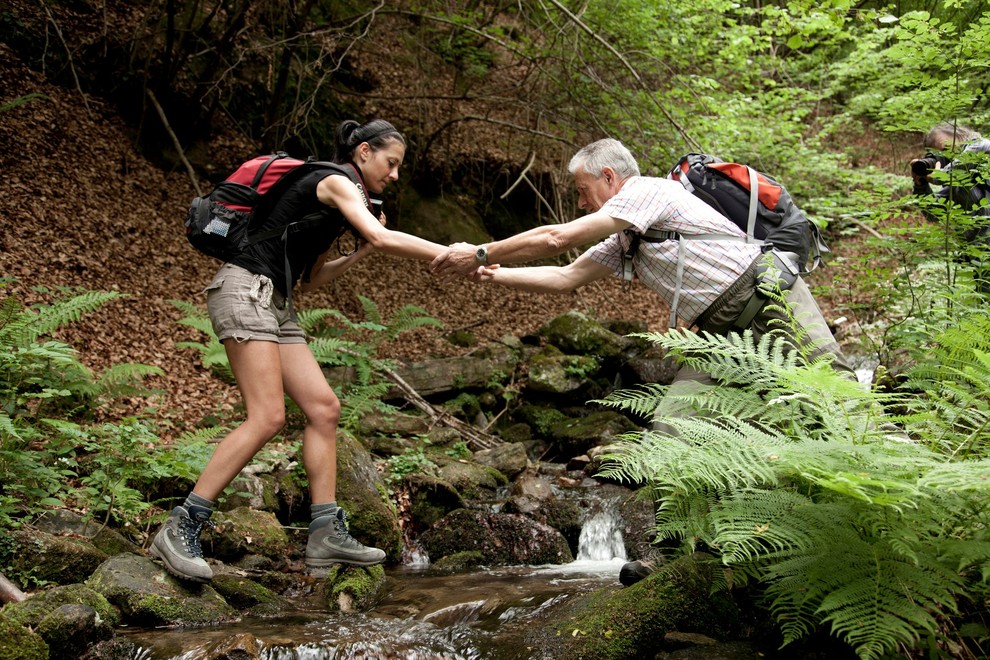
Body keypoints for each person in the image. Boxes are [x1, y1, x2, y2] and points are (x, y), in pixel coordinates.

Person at [431, 137, 854, 585]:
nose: (579, 200)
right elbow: (565, 276)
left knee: (836, 393)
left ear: (610, 178)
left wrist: (482, 250)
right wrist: (494, 273)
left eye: (581, 189)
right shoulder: (626, 237)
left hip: (770, 299)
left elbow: (558, 239)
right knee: (671, 429)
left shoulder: (650, 192)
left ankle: (898, 488)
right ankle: (672, 550)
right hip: (719, 338)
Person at [151, 119, 449, 583]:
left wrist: (360, 254)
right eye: (391, 164)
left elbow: (312, 278)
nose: (394, 176)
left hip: (275, 299)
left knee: (324, 409)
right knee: (267, 416)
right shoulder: (334, 180)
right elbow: (384, 237)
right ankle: (182, 524)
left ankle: (324, 533)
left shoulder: (337, 202)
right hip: (245, 289)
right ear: (365, 152)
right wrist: (454, 251)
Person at [910, 122, 990, 293]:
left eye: (946, 148)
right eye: (938, 154)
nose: (945, 155)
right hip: (982, 255)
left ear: (957, 134)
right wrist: (920, 184)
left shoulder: (982, 147)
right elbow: (932, 213)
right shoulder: (956, 185)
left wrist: (936, 176)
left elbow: (952, 172)